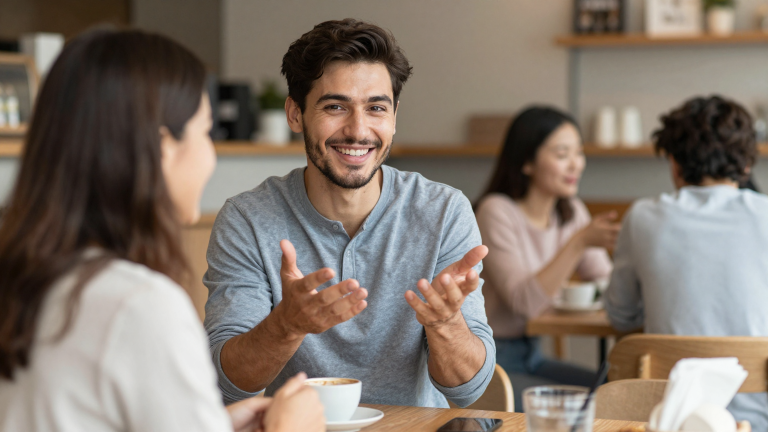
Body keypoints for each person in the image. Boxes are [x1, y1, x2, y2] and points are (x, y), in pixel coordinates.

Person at [0, 29, 323, 432]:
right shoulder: (138, 305)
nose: (210, 155)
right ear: (161, 148)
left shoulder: (26, 279)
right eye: (205, 132)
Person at [203, 18, 495, 408]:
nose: (358, 130)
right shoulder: (247, 219)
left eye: (376, 108)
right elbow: (228, 385)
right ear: (295, 114)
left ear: (393, 118)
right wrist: (286, 326)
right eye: (336, 106)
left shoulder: (444, 211)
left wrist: (445, 323)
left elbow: (468, 390)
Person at [604, 95, 768, 431]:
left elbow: (620, 316)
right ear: (747, 165)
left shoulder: (642, 218)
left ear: (674, 163)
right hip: (756, 420)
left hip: (664, 418)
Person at [473, 106, 619, 411]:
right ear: (526, 161)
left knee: (613, 393)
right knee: (585, 407)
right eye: (562, 154)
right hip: (492, 360)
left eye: (578, 153)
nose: (575, 165)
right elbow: (525, 303)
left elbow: (606, 283)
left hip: (533, 354)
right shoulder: (496, 211)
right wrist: (578, 243)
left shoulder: (571, 211)